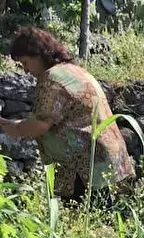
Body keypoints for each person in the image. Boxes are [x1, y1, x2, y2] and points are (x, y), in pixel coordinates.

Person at [0, 27, 134, 202]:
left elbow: (40, 125)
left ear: (38, 54)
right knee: (106, 221)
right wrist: (7, 123)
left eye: (25, 62)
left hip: (85, 169)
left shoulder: (52, 79)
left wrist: (13, 128)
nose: (25, 70)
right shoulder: (72, 71)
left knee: (84, 223)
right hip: (109, 163)